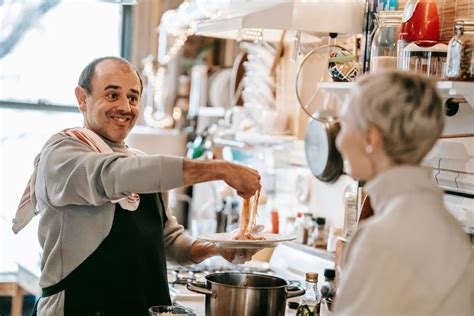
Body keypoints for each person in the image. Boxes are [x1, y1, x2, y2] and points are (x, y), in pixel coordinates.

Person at [12, 56, 261, 315]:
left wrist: (219, 247)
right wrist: (221, 169)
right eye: (112, 95)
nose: (125, 107)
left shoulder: (142, 166)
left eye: (133, 98)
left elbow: (170, 242)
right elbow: (111, 175)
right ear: (82, 98)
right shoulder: (62, 152)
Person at [333, 71, 473, 315]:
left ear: (371, 138)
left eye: (344, 125)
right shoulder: (446, 224)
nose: (339, 141)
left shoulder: (382, 238)